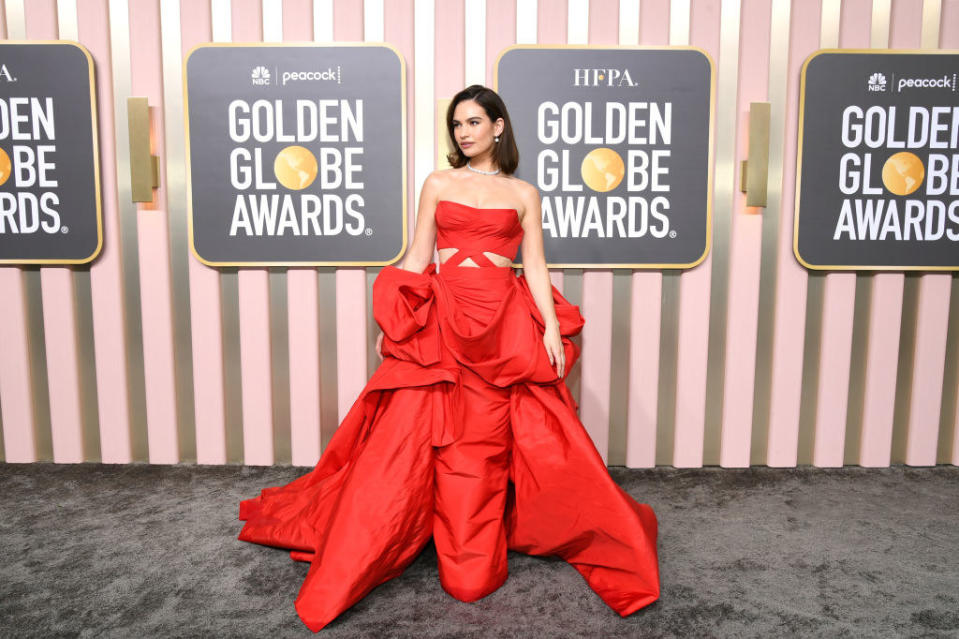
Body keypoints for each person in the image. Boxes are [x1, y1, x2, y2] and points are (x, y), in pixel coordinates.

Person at [237, 84, 660, 633]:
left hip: (501, 325)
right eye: (456, 124)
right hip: (443, 319)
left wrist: (551, 328)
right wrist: (396, 318)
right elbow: (417, 254)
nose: (463, 132)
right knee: (409, 440)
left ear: (499, 127)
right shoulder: (438, 182)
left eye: (474, 122)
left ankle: (479, 543)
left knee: (492, 441)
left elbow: (534, 266)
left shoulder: (525, 194)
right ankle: (398, 535)